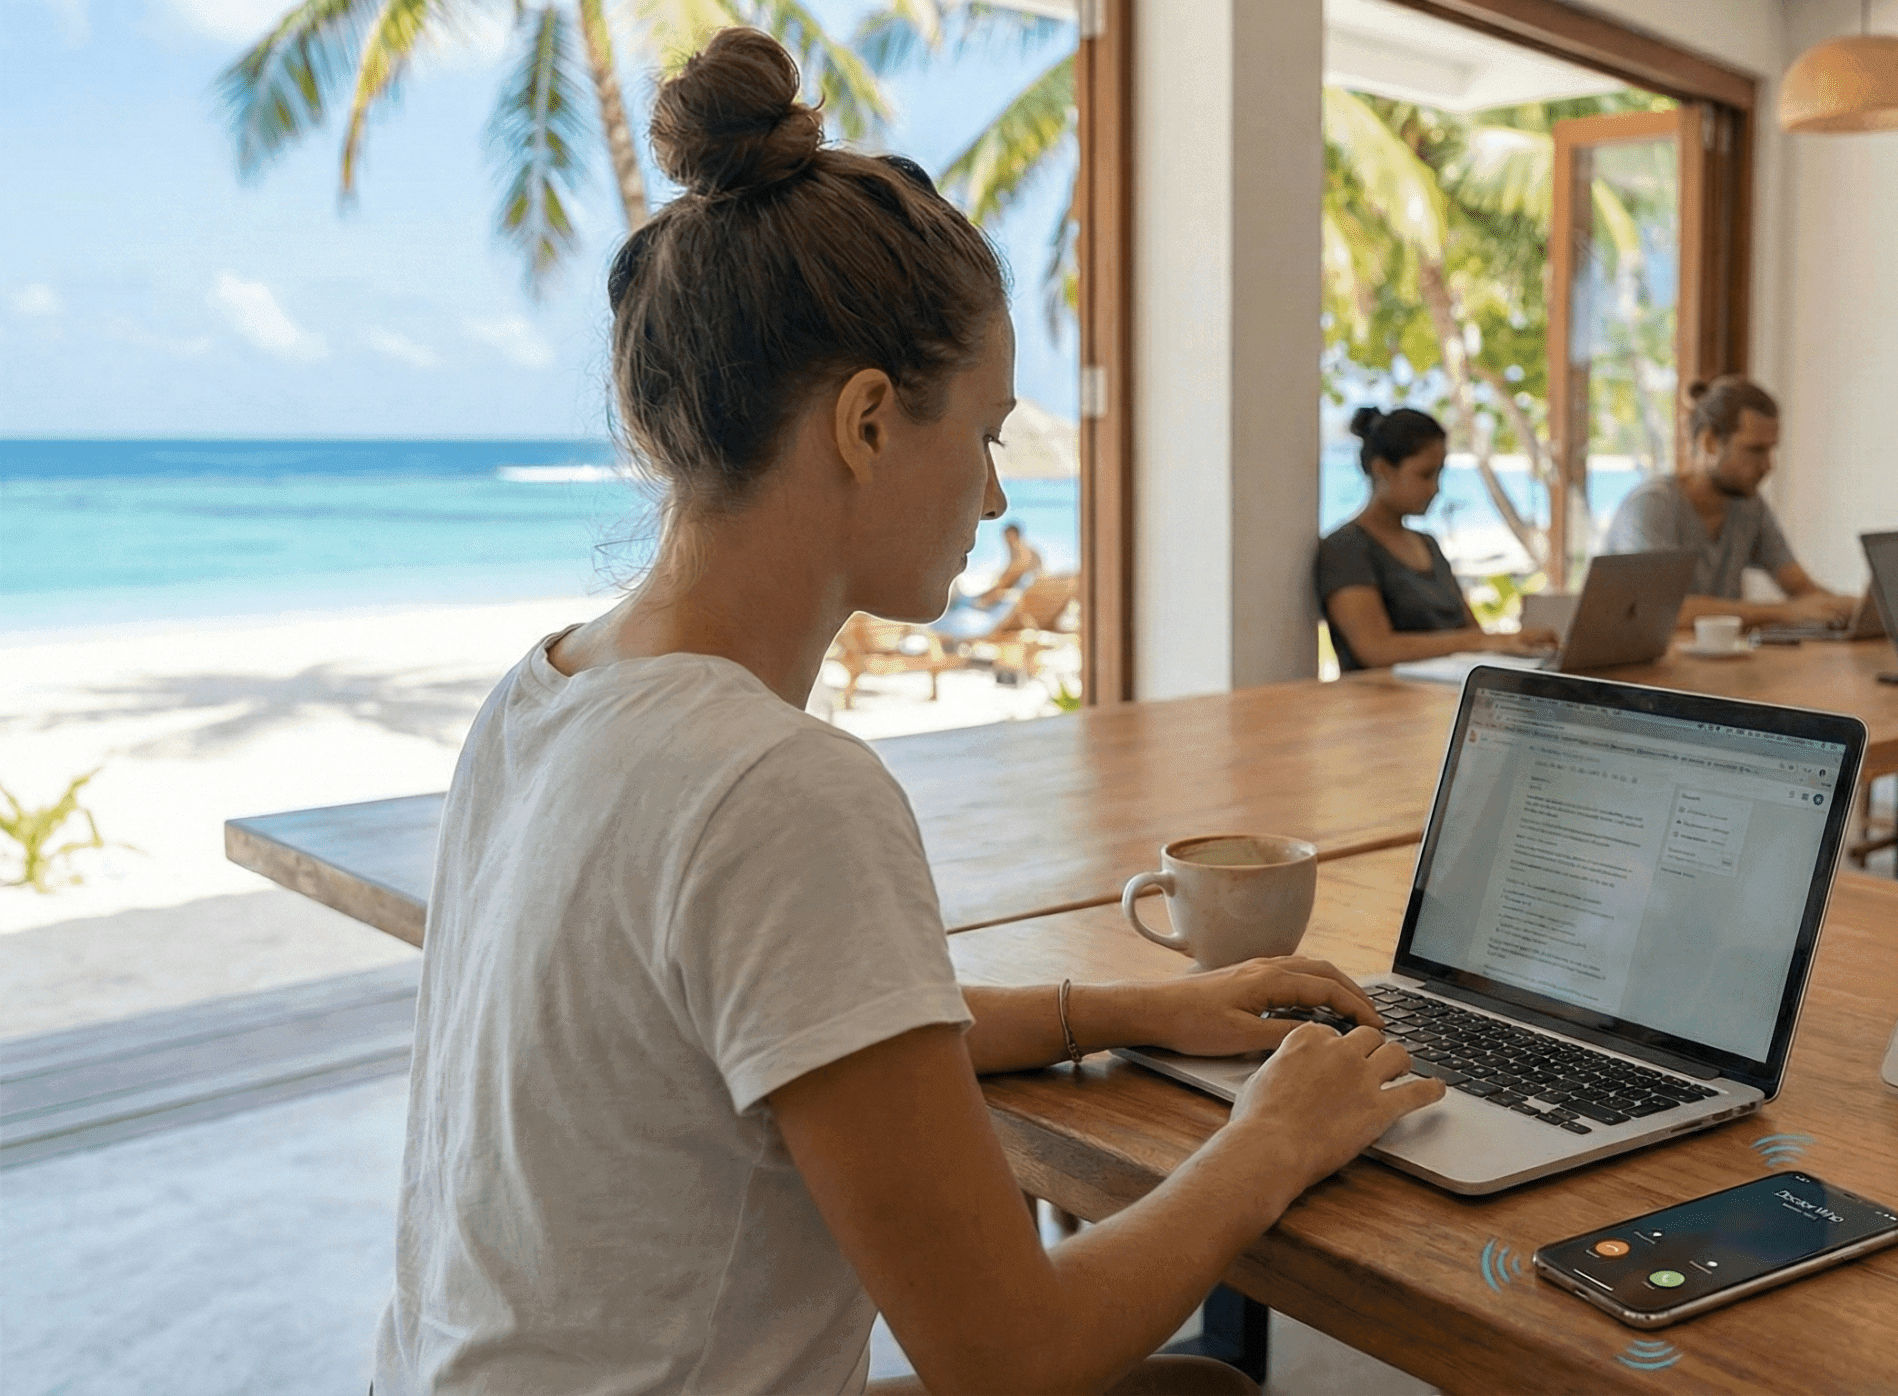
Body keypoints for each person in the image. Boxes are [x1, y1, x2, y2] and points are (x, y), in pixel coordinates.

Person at [375, 31, 1441, 1396]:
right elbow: (1013, 1358)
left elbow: (801, 1016)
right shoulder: (773, 787)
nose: (996, 498)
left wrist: (1128, 1010)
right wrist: (1278, 1134)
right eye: (986, 434)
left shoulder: (547, 693)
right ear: (869, 422)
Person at [1599, 376, 1855, 628]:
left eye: (1771, 449)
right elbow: (1666, 610)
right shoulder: (1652, 507)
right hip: (1638, 669)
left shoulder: (1749, 505)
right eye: (1755, 450)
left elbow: (1801, 589)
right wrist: (1785, 612)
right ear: (1709, 442)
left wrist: (1856, 609)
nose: (1769, 465)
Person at [1316, 406, 1555, 670]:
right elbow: (1375, 649)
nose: (1436, 488)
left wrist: (1507, 643)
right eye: (1424, 474)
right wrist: (1482, 642)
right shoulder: (1346, 548)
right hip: (1384, 699)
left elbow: (1471, 632)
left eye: (1440, 474)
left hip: (1447, 690)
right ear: (1382, 470)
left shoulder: (1427, 544)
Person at [969, 520, 1044, 606]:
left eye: (1008, 537)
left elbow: (1011, 576)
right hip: (1028, 587)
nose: (1006, 540)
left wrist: (987, 598)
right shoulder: (1021, 549)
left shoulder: (1022, 549)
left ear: (1015, 536)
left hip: (1032, 589)